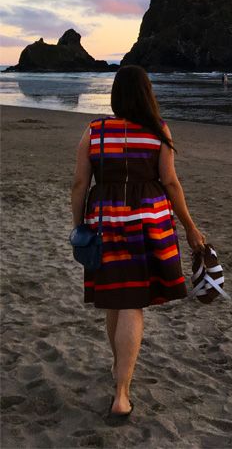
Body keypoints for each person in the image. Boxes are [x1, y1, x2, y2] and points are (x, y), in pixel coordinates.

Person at [71, 65, 206, 420]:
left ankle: (119, 371)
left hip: (105, 222)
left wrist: (79, 227)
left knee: (116, 297)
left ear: (116, 94)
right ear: (147, 94)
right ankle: (121, 392)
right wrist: (189, 227)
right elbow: (171, 183)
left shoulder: (95, 130)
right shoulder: (157, 131)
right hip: (148, 224)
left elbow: (79, 185)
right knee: (130, 301)